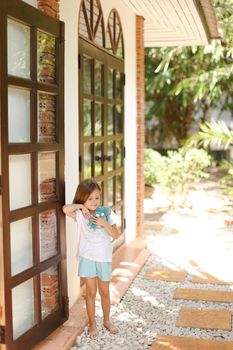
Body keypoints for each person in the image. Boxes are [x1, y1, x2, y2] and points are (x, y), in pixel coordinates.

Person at [62, 178, 119, 337]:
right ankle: (93, 324)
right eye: (90, 198)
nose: (94, 202)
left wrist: (103, 223)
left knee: (105, 293)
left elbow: (115, 234)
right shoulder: (80, 215)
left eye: (97, 197)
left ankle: (107, 321)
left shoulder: (107, 213)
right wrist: (81, 206)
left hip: (103, 258)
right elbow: (65, 209)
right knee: (91, 293)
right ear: (83, 198)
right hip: (87, 258)